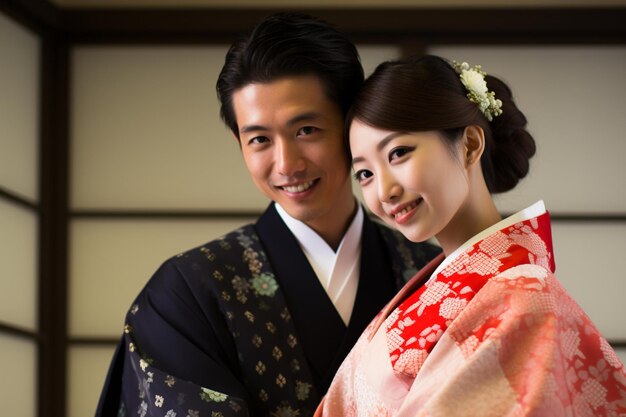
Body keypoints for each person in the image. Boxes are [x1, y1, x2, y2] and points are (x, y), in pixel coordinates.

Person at [95, 13, 441, 417]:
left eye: (306, 130)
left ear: (350, 125)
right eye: (259, 139)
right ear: (239, 142)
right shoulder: (186, 292)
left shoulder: (428, 274)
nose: (286, 164)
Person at [315, 55, 626, 416]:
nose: (384, 191)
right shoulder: (438, 282)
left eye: (398, 153)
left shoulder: (525, 298)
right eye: (365, 174)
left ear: (470, 145)